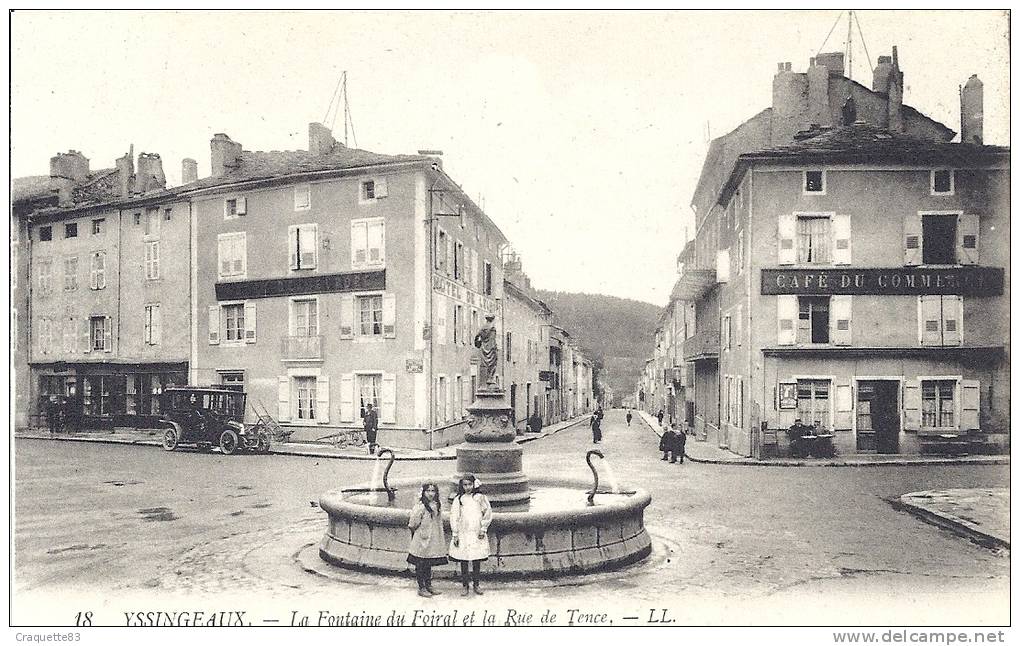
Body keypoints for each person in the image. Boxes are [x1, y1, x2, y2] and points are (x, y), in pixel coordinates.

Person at [449, 474, 492, 596]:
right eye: (465, 485)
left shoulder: (480, 498)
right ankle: (465, 585)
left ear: (474, 484)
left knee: (476, 558)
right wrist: (455, 534)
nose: (467, 487)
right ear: (461, 486)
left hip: (476, 531)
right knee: (464, 559)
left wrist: (483, 528)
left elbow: (487, 513)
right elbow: (454, 516)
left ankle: (476, 584)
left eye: (470, 484)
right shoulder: (459, 499)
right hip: (463, 532)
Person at [407, 482, 448, 598]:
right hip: (421, 538)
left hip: (433, 538)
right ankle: (421, 587)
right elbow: (413, 523)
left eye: (433, 491)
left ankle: (429, 584)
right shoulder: (420, 506)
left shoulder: (437, 505)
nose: (430, 494)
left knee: (428, 562)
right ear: (423, 492)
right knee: (420, 563)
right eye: (428, 491)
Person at [473, 314, 499, 387]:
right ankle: (490, 378)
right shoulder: (492, 328)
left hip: (484, 348)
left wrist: (477, 344)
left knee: (484, 365)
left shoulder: (483, 328)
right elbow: (493, 340)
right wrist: (495, 349)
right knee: (493, 363)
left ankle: (485, 382)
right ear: (492, 320)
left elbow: (476, 336)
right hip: (491, 348)